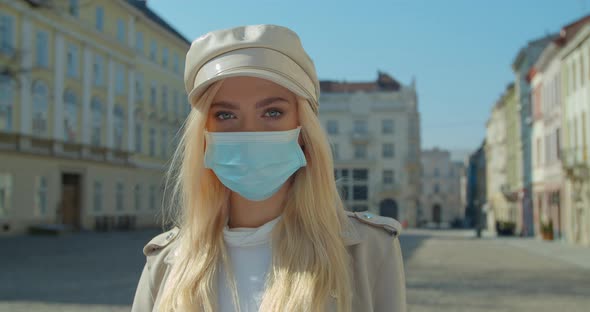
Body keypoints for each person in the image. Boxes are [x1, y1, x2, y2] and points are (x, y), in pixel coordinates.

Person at [131, 24, 406, 312]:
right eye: (225, 114)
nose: (249, 132)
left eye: (273, 112)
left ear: (303, 130)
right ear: (203, 134)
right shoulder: (166, 261)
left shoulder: (370, 250)